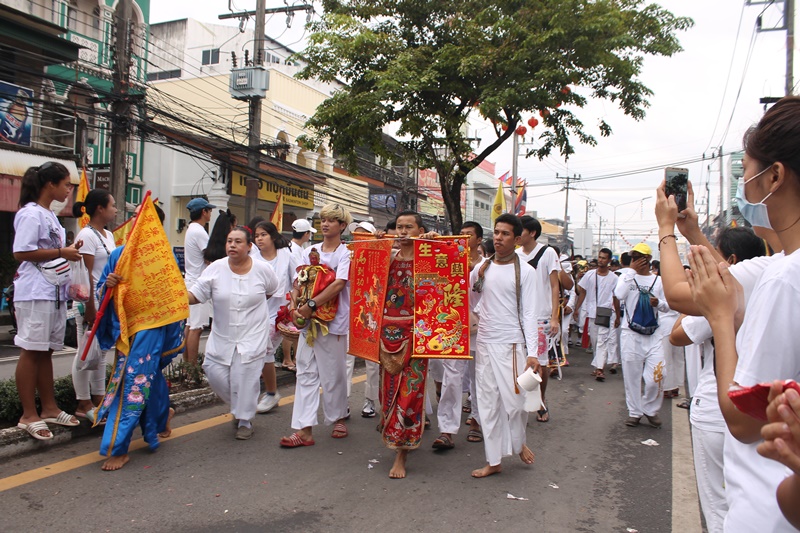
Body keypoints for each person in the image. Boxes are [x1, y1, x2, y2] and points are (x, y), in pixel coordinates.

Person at [684, 96, 800, 532]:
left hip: (769, 505)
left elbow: (743, 419)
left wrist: (720, 318)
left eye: (747, 174)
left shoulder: (786, 276)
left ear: (776, 176)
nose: (744, 189)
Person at [669, 227, 766, 532]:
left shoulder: (732, 288)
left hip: (720, 408)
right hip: (765, 410)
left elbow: (678, 334)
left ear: (732, 260)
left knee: (719, 506)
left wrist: (699, 296)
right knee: (752, 501)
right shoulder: (774, 272)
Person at [93, 203, 185, 470]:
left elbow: (173, 298)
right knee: (150, 376)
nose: (135, 222)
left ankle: (118, 446)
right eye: (134, 217)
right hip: (126, 329)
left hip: (152, 328)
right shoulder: (118, 254)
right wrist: (107, 286)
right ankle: (162, 415)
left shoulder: (165, 257)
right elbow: (102, 290)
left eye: (141, 218)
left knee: (134, 381)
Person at [13, 162, 83, 440]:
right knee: (32, 350)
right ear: (50, 184)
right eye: (66, 184)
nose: (69, 190)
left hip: (53, 291)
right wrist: (61, 251)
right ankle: (28, 414)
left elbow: (52, 251)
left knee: (46, 351)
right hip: (34, 292)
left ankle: (49, 408)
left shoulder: (50, 215)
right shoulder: (31, 214)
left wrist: (65, 251)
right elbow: (21, 252)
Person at [188, 226, 279, 440]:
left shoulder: (263, 269)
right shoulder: (215, 269)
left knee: (245, 378)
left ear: (249, 247)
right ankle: (241, 405)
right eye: (229, 241)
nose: (232, 245)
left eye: (238, 242)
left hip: (252, 336)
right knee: (214, 372)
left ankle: (244, 421)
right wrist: (174, 296)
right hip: (223, 336)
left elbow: (271, 289)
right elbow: (196, 294)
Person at [470, 213, 539, 478]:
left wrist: (533, 352)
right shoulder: (482, 268)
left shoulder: (527, 272)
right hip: (485, 343)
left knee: (516, 402)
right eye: (496, 232)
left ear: (518, 239)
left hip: (511, 345)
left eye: (505, 233)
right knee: (487, 403)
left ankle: (518, 441)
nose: (498, 237)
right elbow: (473, 298)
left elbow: (530, 313)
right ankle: (494, 459)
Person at [280, 203, 352, 448]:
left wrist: (311, 304)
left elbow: (339, 284)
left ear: (342, 226)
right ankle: (304, 429)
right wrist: (294, 305)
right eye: (323, 219)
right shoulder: (309, 250)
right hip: (307, 321)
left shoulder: (346, 252)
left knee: (333, 373)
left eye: (332, 220)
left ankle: (338, 417)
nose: (326, 223)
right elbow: (298, 280)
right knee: (306, 372)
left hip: (333, 321)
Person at [375, 210, 434, 478]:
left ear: (420, 231)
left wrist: (437, 242)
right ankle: (393, 432)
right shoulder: (388, 258)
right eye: (399, 227)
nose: (402, 232)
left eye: (408, 227)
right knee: (388, 392)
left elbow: (456, 265)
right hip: (387, 333)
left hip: (416, 334)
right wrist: (376, 248)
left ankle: (402, 452)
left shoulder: (429, 257)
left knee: (410, 393)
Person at [71, 189, 118, 420]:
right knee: (85, 351)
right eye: (113, 205)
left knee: (100, 352)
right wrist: (90, 306)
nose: (116, 209)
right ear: (100, 208)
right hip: (91, 302)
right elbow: (86, 273)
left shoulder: (108, 235)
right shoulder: (87, 236)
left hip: (105, 301)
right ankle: (83, 402)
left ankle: (99, 398)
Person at [613, 242, 670, 428]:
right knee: (632, 376)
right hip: (631, 333)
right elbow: (619, 294)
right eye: (634, 257)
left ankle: (650, 409)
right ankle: (635, 412)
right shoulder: (626, 277)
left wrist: (658, 303)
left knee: (657, 375)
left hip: (653, 333)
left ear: (648, 259)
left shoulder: (659, 281)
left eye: (639, 257)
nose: (636, 260)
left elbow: (668, 305)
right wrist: (630, 271)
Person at [516, 215, 563, 423]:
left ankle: (540, 401)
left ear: (532, 232)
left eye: (520, 231)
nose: (517, 235)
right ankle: (522, 401)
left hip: (541, 317)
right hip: (518, 317)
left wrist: (554, 317)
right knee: (519, 361)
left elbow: (555, 286)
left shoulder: (548, 252)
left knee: (540, 363)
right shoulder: (515, 255)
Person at [252, 220, 298, 413]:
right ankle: (263, 393)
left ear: (272, 236)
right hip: (254, 312)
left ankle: (270, 393)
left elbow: (297, 281)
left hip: (279, 313)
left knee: (263, 350)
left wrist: (294, 305)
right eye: (256, 236)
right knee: (257, 353)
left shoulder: (286, 255)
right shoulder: (252, 257)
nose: (259, 239)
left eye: (263, 234)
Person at [344, 220, 381, 418]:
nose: (358, 238)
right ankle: (345, 400)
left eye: (363, 234)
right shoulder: (346, 255)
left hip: (371, 315)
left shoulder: (379, 257)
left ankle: (370, 400)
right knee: (346, 361)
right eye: (356, 234)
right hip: (349, 316)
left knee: (372, 363)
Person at [575, 248, 618, 381]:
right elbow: (582, 292)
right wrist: (577, 308)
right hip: (592, 312)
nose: (600, 260)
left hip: (606, 313)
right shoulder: (590, 275)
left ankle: (600, 369)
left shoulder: (614, 278)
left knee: (602, 340)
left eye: (604, 258)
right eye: (599, 257)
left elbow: (616, 297)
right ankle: (598, 365)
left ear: (609, 260)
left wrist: (618, 315)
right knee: (594, 340)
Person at [460, 221, 485, 444]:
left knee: (478, 377)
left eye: (469, 235)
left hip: (479, 329)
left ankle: (476, 419)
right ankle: (447, 426)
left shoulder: (486, 266)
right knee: (452, 378)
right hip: (453, 327)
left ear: (478, 240)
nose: (464, 238)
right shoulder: (450, 261)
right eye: (461, 234)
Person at [183, 197, 215, 364]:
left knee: (190, 325)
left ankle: (187, 364)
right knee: (196, 328)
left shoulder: (192, 229)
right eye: (209, 210)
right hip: (198, 283)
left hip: (191, 280)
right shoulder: (199, 231)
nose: (210, 213)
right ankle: (192, 367)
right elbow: (209, 256)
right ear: (204, 212)